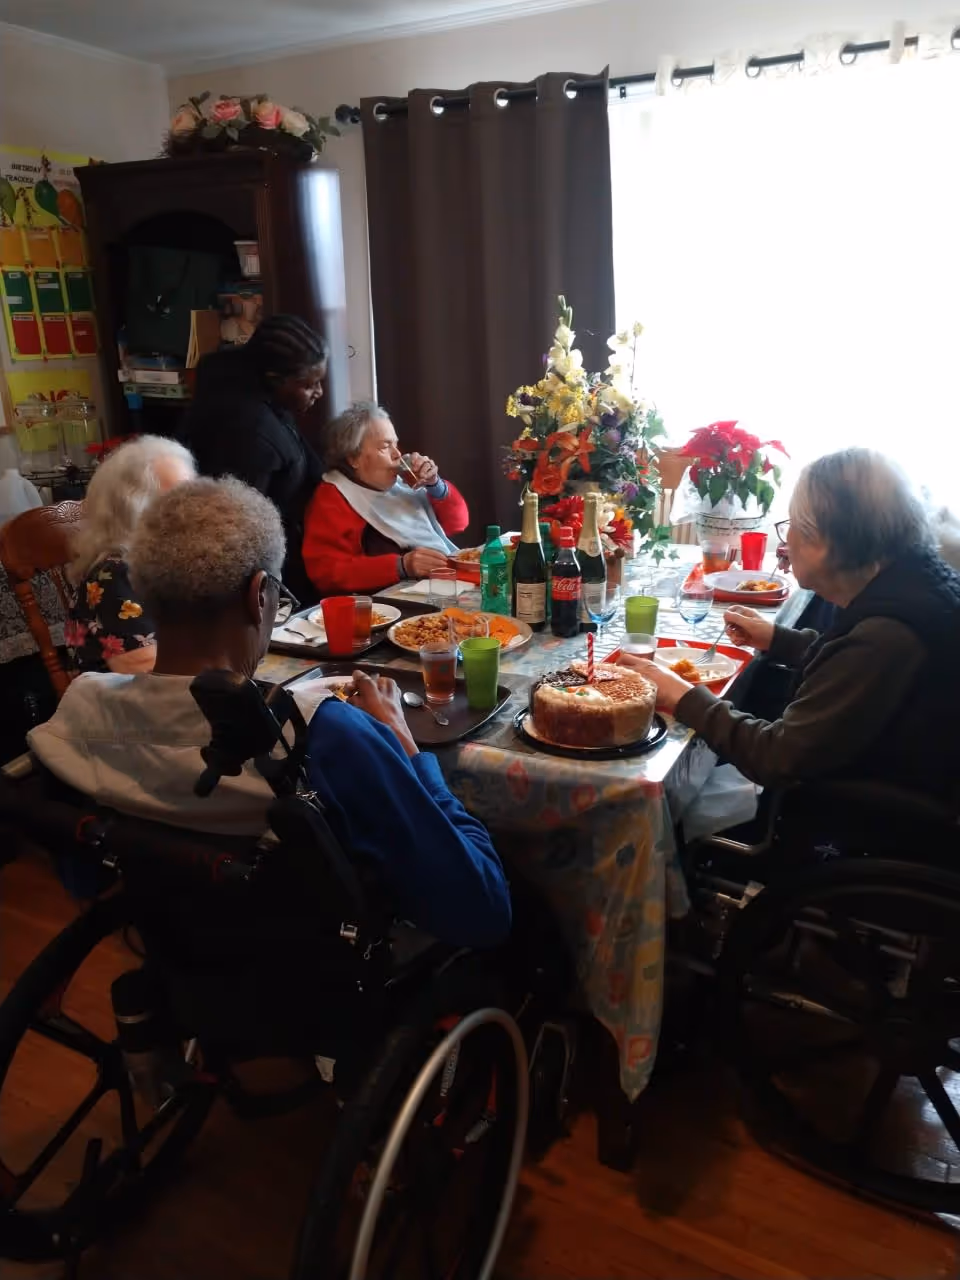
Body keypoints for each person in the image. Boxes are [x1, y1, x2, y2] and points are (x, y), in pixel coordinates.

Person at [29, 477, 510, 948]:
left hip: (182, 959)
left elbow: (84, 876)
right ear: (260, 595)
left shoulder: (81, 709)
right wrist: (404, 749)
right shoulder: (324, 734)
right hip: (325, 979)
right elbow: (481, 912)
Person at [623, 449, 960, 806]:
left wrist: (682, 696)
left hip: (862, 822)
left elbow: (777, 757)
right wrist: (777, 639)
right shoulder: (910, 584)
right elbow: (848, 662)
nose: (785, 542)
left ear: (828, 543)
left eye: (793, 526)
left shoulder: (887, 636)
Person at [184, 314, 329, 602]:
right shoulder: (252, 434)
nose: (319, 392)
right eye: (309, 384)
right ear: (276, 379)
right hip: (257, 574)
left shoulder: (266, 396)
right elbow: (240, 536)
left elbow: (310, 464)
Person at [302, 402, 469, 595]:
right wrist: (401, 566)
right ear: (353, 458)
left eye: (395, 444)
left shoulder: (400, 483)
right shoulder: (333, 498)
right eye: (385, 446)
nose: (398, 454)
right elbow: (326, 573)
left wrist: (435, 485)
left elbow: (458, 524)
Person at [66, 435, 195, 675]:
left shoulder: (165, 562)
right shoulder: (114, 575)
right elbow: (151, 679)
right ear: (134, 509)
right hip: (129, 707)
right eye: (176, 500)